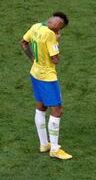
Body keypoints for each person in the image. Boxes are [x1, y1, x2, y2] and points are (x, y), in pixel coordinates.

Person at [20, 12, 72, 160]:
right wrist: (57, 40)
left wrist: (33, 59)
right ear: (57, 25)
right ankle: (54, 149)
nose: (58, 29)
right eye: (59, 27)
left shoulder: (36, 26)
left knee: (41, 107)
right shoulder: (50, 35)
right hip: (47, 78)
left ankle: (44, 144)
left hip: (35, 73)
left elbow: (23, 43)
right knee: (57, 110)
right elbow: (55, 59)